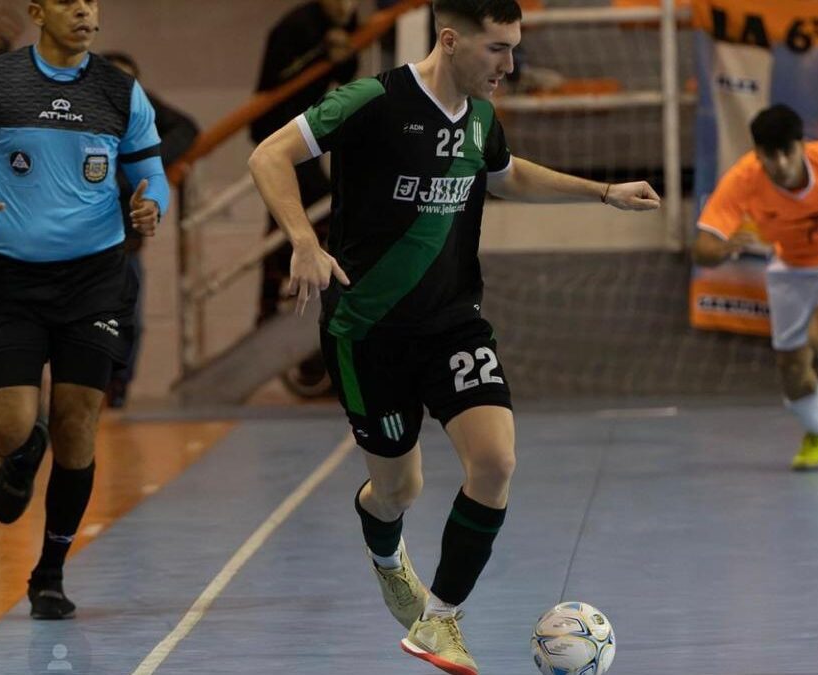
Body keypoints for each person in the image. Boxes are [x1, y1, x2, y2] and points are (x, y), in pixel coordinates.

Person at [247, 0, 660, 671]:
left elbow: (508, 175)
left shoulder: (482, 118)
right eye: (497, 49)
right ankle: (386, 551)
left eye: (514, 48)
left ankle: (439, 622)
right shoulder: (371, 100)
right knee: (397, 492)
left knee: (496, 462)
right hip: (367, 331)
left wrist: (602, 190)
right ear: (450, 39)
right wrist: (302, 239)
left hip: (453, 323)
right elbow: (270, 155)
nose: (511, 65)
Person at [0, 0, 168, 619]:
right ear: (38, 12)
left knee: (78, 423)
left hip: (94, 279)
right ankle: (21, 449)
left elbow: (152, 174)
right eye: (70, 2)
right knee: (8, 425)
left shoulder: (120, 91)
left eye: (92, 2)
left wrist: (152, 206)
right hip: (9, 278)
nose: (85, 11)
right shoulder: (0, 81)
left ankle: (50, 573)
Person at [692, 104, 818, 470]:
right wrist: (724, 248)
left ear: (801, 145)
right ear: (758, 154)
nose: (781, 163)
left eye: (787, 152)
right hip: (793, 269)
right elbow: (703, 247)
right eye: (770, 156)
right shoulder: (743, 181)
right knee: (791, 366)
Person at [251, 0, 360, 327]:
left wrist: (343, 55)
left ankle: (275, 300)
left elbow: (344, 73)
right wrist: (323, 52)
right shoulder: (295, 26)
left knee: (287, 217)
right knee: (315, 202)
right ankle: (278, 297)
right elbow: (278, 82)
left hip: (307, 124)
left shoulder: (348, 19)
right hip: (278, 125)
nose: (345, 6)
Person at [100, 51, 199, 408]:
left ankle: (117, 389)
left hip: (126, 247)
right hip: (78, 246)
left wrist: (141, 166)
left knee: (131, 324)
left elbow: (186, 127)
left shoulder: (142, 112)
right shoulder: (77, 117)